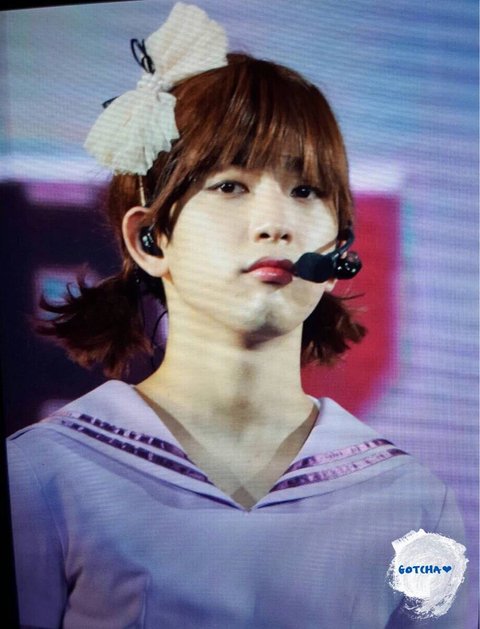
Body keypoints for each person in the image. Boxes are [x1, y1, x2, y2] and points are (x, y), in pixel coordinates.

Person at [6, 3, 468, 628]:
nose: (276, 222)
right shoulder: (43, 478)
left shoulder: (413, 503)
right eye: (230, 186)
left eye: (305, 190)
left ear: (338, 250)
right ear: (149, 240)